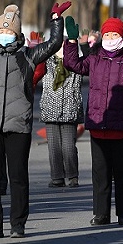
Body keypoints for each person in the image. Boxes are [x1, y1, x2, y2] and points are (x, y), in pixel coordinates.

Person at [0, 1, 69, 239]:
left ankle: (18, 224)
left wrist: (56, 21)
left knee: (18, 176)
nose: (5, 35)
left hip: (18, 126)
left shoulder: (27, 56)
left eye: (10, 32)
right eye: (2, 31)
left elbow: (53, 45)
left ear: (17, 34)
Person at [63, 16, 123, 225]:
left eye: (115, 34)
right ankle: (101, 214)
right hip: (99, 125)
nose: (110, 38)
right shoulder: (94, 58)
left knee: (122, 174)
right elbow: (72, 64)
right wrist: (72, 42)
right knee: (100, 174)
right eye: (107, 34)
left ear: (122, 36)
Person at [40, 46, 84, 188]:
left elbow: (89, 59)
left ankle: (72, 176)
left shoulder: (75, 63)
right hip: (50, 108)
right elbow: (36, 67)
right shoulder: (47, 61)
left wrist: (85, 43)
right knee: (54, 145)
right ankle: (57, 177)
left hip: (69, 108)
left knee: (68, 145)